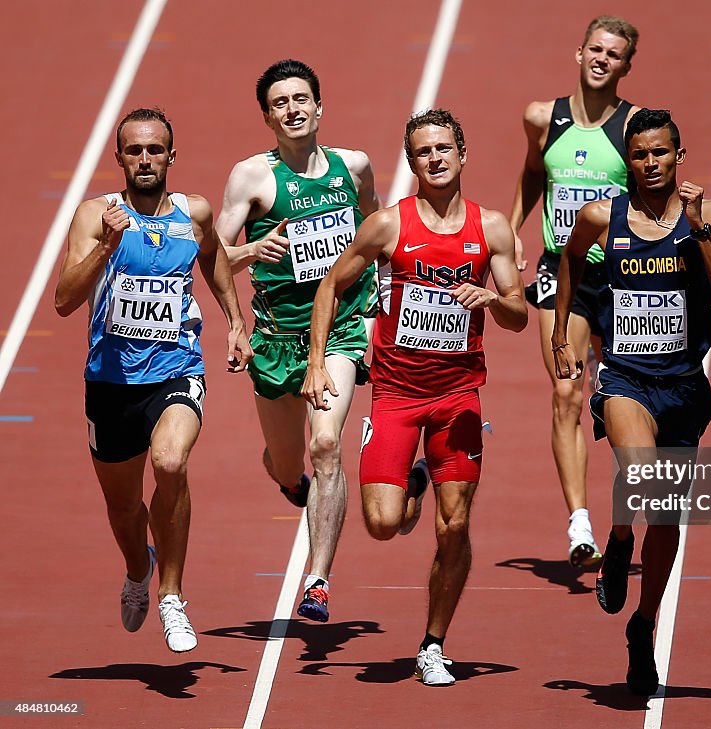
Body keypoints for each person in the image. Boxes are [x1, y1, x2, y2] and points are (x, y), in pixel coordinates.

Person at [302, 109, 527, 686]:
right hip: (397, 395)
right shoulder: (387, 225)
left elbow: (520, 315)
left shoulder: (493, 227)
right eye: (423, 151)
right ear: (412, 162)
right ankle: (415, 481)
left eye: (444, 148)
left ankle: (433, 643)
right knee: (381, 523)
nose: (435, 158)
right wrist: (314, 362)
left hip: (458, 396)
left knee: (455, 528)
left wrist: (491, 299)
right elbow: (332, 282)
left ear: (462, 153)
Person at [552, 109, 711, 694]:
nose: (651, 163)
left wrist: (699, 231)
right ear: (628, 161)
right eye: (640, 155)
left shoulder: (710, 217)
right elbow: (567, 259)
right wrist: (563, 333)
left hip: (685, 386)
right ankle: (617, 538)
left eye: (661, 153)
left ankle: (643, 624)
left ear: (678, 156)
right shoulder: (601, 217)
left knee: (666, 516)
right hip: (625, 377)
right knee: (642, 479)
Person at [54, 108, 253, 653]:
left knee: (169, 461)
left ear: (171, 156)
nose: (145, 159)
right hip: (111, 382)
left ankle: (172, 596)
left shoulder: (194, 213)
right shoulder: (97, 215)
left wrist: (236, 321)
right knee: (124, 507)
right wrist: (106, 247)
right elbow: (64, 300)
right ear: (119, 158)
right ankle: (138, 565)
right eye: (134, 151)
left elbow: (213, 260)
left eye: (154, 150)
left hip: (177, 370)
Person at [216, 59, 380, 623]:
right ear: (267, 116)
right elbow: (208, 258)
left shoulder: (353, 167)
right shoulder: (251, 178)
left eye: (301, 98)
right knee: (288, 464)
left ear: (319, 105)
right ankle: (293, 485)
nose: (292, 109)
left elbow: (377, 231)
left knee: (327, 444)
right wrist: (250, 255)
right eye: (280, 103)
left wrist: (385, 302)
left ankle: (317, 579)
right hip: (276, 339)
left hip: (341, 331)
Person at [509, 16, 640, 567]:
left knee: (621, 400)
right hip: (560, 275)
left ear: (626, 66)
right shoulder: (544, 117)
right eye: (595, 49)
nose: (601, 59)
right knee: (565, 390)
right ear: (578, 52)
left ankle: (630, 513)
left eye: (613, 54)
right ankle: (580, 522)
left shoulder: (636, 127)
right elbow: (533, 175)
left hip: (621, 276)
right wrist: (512, 230)